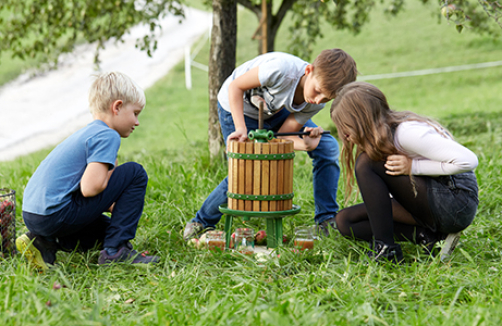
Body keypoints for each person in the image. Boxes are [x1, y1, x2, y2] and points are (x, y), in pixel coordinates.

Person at [183, 49, 358, 241]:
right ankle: (201, 222)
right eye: (317, 92)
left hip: (274, 111)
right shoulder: (281, 70)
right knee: (246, 168)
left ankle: (326, 220)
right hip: (238, 106)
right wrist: (240, 128)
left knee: (327, 146)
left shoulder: (315, 101)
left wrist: (308, 145)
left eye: (326, 98)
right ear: (309, 70)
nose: (317, 100)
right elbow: (235, 87)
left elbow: (282, 136)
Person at [16, 71, 159, 270]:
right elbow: (90, 189)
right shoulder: (108, 136)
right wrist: (114, 182)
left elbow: (94, 196)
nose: (137, 122)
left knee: (108, 231)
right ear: (117, 107)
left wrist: (121, 210)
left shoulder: (87, 133)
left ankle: (42, 243)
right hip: (56, 214)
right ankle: (115, 252)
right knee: (134, 172)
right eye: (135, 113)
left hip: (35, 215)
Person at [330, 81, 479, 263]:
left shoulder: (406, 133)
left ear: (362, 119)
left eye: (346, 127)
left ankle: (386, 249)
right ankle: (428, 237)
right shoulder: (383, 137)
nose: (344, 136)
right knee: (345, 221)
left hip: (456, 202)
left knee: (366, 163)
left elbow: (469, 160)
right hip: (432, 200)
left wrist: (413, 167)